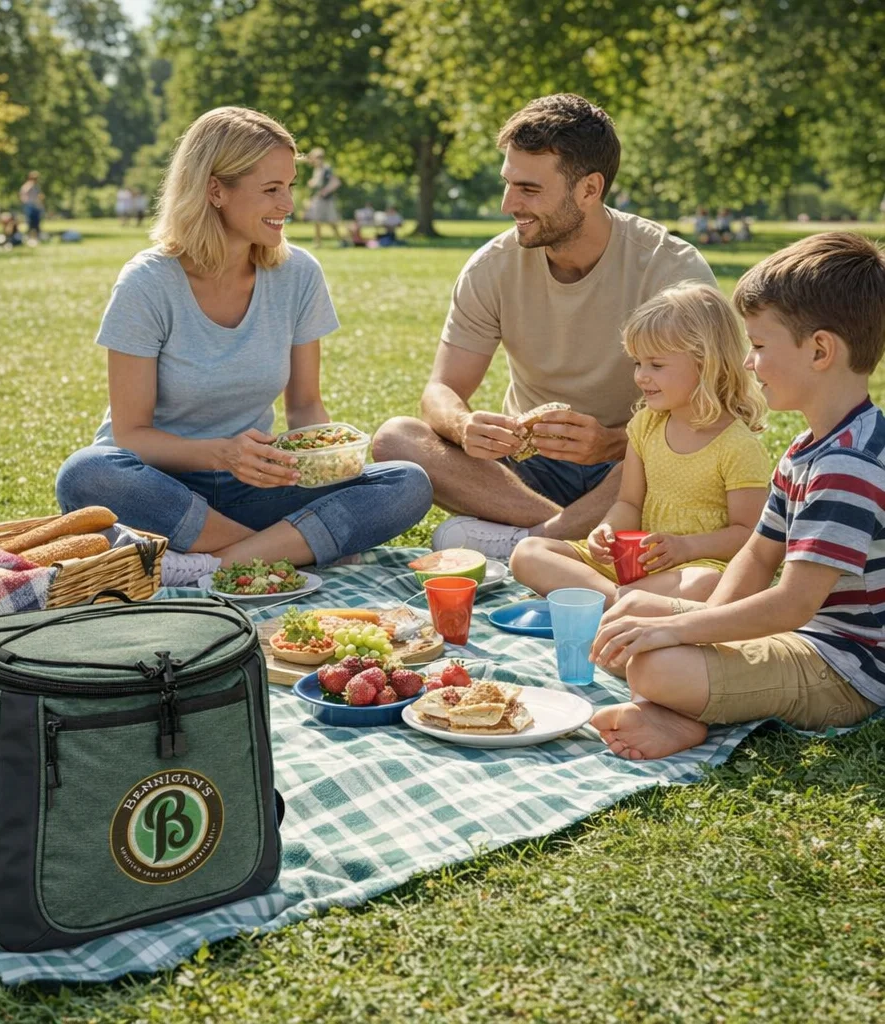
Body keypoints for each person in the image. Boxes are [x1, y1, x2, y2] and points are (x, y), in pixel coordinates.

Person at [55, 106, 432, 585]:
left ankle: (213, 563)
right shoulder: (147, 283)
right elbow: (131, 434)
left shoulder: (299, 274)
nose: (289, 204)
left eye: (291, 186)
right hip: (159, 483)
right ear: (215, 189)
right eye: (272, 189)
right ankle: (287, 548)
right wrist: (222, 454)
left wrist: (325, 461)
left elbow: (305, 405)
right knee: (84, 474)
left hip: (257, 483)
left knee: (406, 483)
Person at [372, 94, 716, 559]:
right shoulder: (492, 266)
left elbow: (710, 403)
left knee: (675, 450)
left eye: (529, 190)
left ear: (589, 189)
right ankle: (565, 535)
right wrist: (463, 423)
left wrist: (615, 442)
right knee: (396, 438)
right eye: (508, 183)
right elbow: (442, 388)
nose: (507, 204)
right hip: (528, 468)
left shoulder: (669, 268)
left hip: (631, 463)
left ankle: (532, 542)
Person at [590, 232, 885, 759]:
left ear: (820, 350)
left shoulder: (849, 464)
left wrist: (680, 633)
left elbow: (793, 604)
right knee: (629, 612)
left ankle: (674, 719)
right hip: (802, 638)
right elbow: (755, 556)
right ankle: (673, 701)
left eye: (760, 346)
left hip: (844, 668)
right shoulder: (806, 448)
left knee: (652, 661)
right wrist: (692, 634)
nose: (748, 363)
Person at [510, 283, 769, 609]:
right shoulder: (646, 426)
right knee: (528, 552)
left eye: (656, 365)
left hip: (695, 565)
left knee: (706, 584)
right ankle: (623, 604)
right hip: (633, 564)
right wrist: (606, 530)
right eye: (637, 363)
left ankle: (600, 601)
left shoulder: (738, 446)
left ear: (707, 363)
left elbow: (748, 534)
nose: (641, 377)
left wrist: (686, 548)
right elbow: (629, 503)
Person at [305, 148, 342, 248]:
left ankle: (341, 240)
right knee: (317, 221)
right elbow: (318, 182)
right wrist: (312, 183)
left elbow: (336, 182)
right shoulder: (317, 170)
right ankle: (318, 243)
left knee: (331, 221)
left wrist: (325, 191)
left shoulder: (327, 169)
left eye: (318, 158)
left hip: (327, 200)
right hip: (318, 199)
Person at [20, 170, 44, 240]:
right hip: (30, 206)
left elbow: (38, 196)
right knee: (30, 222)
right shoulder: (28, 185)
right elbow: (23, 194)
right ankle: (29, 237)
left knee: (36, 222)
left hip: (36, 206)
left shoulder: (36, 186)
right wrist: (26, 202)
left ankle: (36, 237)